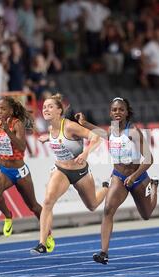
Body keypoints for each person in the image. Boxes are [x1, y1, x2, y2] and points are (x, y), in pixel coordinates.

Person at [76, 97, 159, 264]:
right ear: (110, 112)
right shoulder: (112, 130)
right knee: (108, 210)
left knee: (146, 215)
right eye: (114, 110)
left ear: (127, 112)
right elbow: (104, 134)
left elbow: (149, 159)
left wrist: (134, 176)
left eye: (121, 109)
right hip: (119, 177)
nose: (117, 112)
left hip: (138, 177)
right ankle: (103, 253)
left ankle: (154, 186)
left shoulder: (133, 132)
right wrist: (84, 123)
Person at [30, 94, 109, 254]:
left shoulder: (70, 126)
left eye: (50, 106)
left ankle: (107, 187)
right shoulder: (51, 128)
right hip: (61, 171)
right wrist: (48, 139)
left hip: (80, 172)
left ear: (59, 111)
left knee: (92, 205)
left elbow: (97, 138)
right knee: (47, 202)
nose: (46, 109)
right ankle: (42, 243)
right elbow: (60, 142)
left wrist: (86, 153)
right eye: (44, 107)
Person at [0, 97, 55, 250]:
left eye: (3, 109)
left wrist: (7, 131)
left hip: (19, 171)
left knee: (34, 207)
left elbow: (21, 146)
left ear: (11, 111)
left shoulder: (17, 124)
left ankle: (48, 234)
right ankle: (8, 215)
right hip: (3, 169)